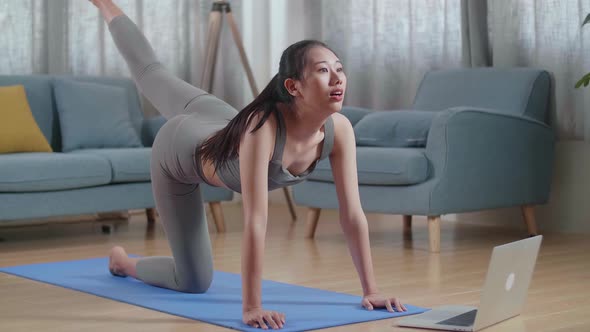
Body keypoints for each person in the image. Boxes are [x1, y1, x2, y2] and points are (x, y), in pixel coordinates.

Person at [89, 0, 407, 329]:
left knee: (155, 75)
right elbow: (256, 219)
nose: (337, 79)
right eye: (323, 70)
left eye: (339, 68)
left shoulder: (340, 130)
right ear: (293, 86)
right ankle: (124, 264)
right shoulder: (263, 126)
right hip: (178, 150)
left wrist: (372, 290)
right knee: (193, 280)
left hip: (216, 117)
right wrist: (252, 306)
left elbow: (352, 215)